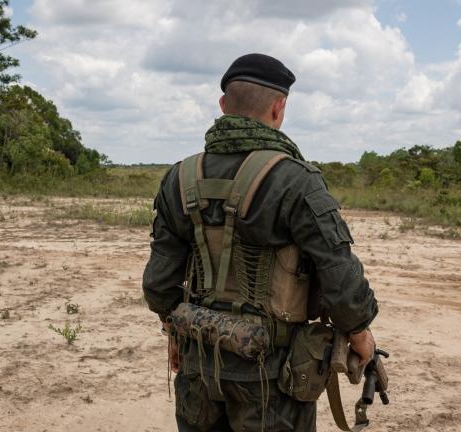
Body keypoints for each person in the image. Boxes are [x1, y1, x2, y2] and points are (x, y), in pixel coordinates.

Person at [142, 53, 378, 432]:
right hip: (273, 375)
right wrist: (360, 333)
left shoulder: (178, 178)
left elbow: (158, 285)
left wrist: (176, 332)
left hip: (198, 362)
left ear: (223, 106)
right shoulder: (296, 180)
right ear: (279, 106)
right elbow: (339, 275)